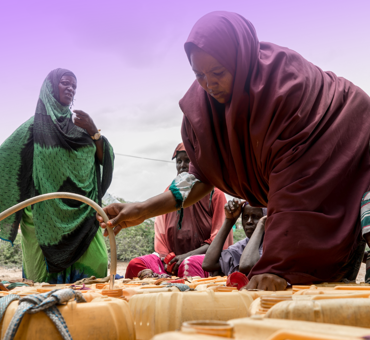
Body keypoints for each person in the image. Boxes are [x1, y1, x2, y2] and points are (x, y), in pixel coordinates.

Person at [98, 11, 370, 291]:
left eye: (218, 72)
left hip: (345, 140)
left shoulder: (286, 89)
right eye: (199, 74)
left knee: (316, 280)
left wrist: (280, 266)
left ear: (242, 60)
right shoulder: (200, 112)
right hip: (292, 180)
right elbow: (200, 177)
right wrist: (142, 209)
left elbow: (296, 184)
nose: (208, 84)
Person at [0, 68, 114, 283]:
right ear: (50, 88)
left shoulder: (82, 128)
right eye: (65, 83)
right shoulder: (33, 128)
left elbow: (103, 159)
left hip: (83, 214)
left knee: (95, 270)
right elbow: (5, 160)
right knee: (41, 284)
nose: (70, 89)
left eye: (74, 86)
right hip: (43, 217)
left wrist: (93, 131)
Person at [125, 143, 232, 279]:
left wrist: (186, 256)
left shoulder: (215, 193)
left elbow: (219, 240)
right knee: (136, 264)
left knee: (188, 265)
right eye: (179, 161)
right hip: (172, 261)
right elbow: (161, 236)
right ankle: (163, 280)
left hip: (204, 261)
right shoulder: (169, 192)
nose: (182, 165)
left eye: (188, 160)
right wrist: (167, 261)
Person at [202, 199, 266, 276]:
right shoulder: (240, 247)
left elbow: (246, 265)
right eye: (245, 217)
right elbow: (208, 264)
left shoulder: (272, 247)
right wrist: (229, 220)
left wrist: (261, 224)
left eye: (256, 217)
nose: (249, 221)